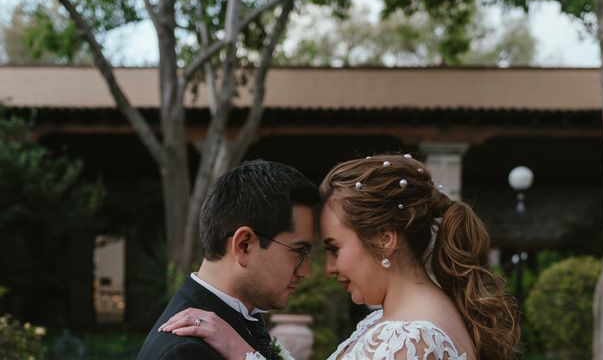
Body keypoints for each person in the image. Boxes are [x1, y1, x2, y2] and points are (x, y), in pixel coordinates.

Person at [160, 154, 520, 360]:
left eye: (333, 248)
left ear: (384, 240)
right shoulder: (397, 320)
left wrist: (244, 354)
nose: (326, 268)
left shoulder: (413, 338)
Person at [137, 159, 320, 360]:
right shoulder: (185, 352)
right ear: (244, 245)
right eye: (299, 251)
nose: (305, 271)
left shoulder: (237, 321)